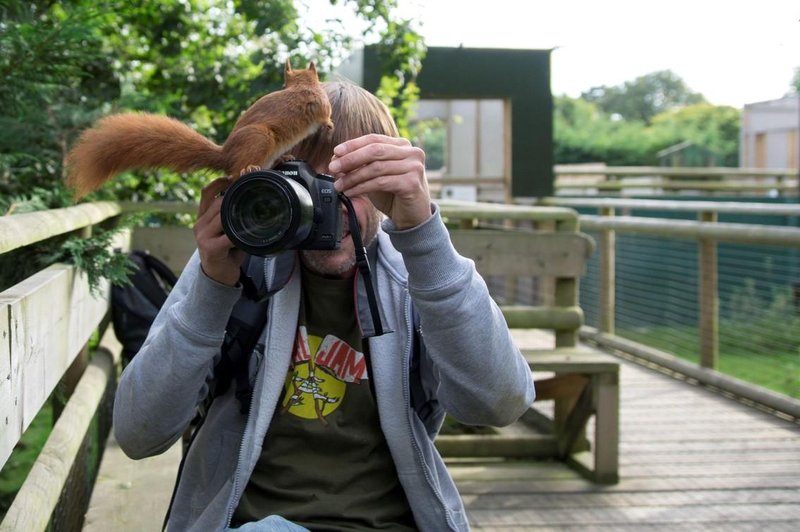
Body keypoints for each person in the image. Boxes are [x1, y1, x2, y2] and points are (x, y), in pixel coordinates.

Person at [113, 79, 536, 532]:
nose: (323, 208)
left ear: (387, 181)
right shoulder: (240, 268)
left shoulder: (418, 276)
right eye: (302, 185)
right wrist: (213, 290)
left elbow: (499, 404)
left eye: (347, 182)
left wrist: (426, 240)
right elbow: (139, 434)